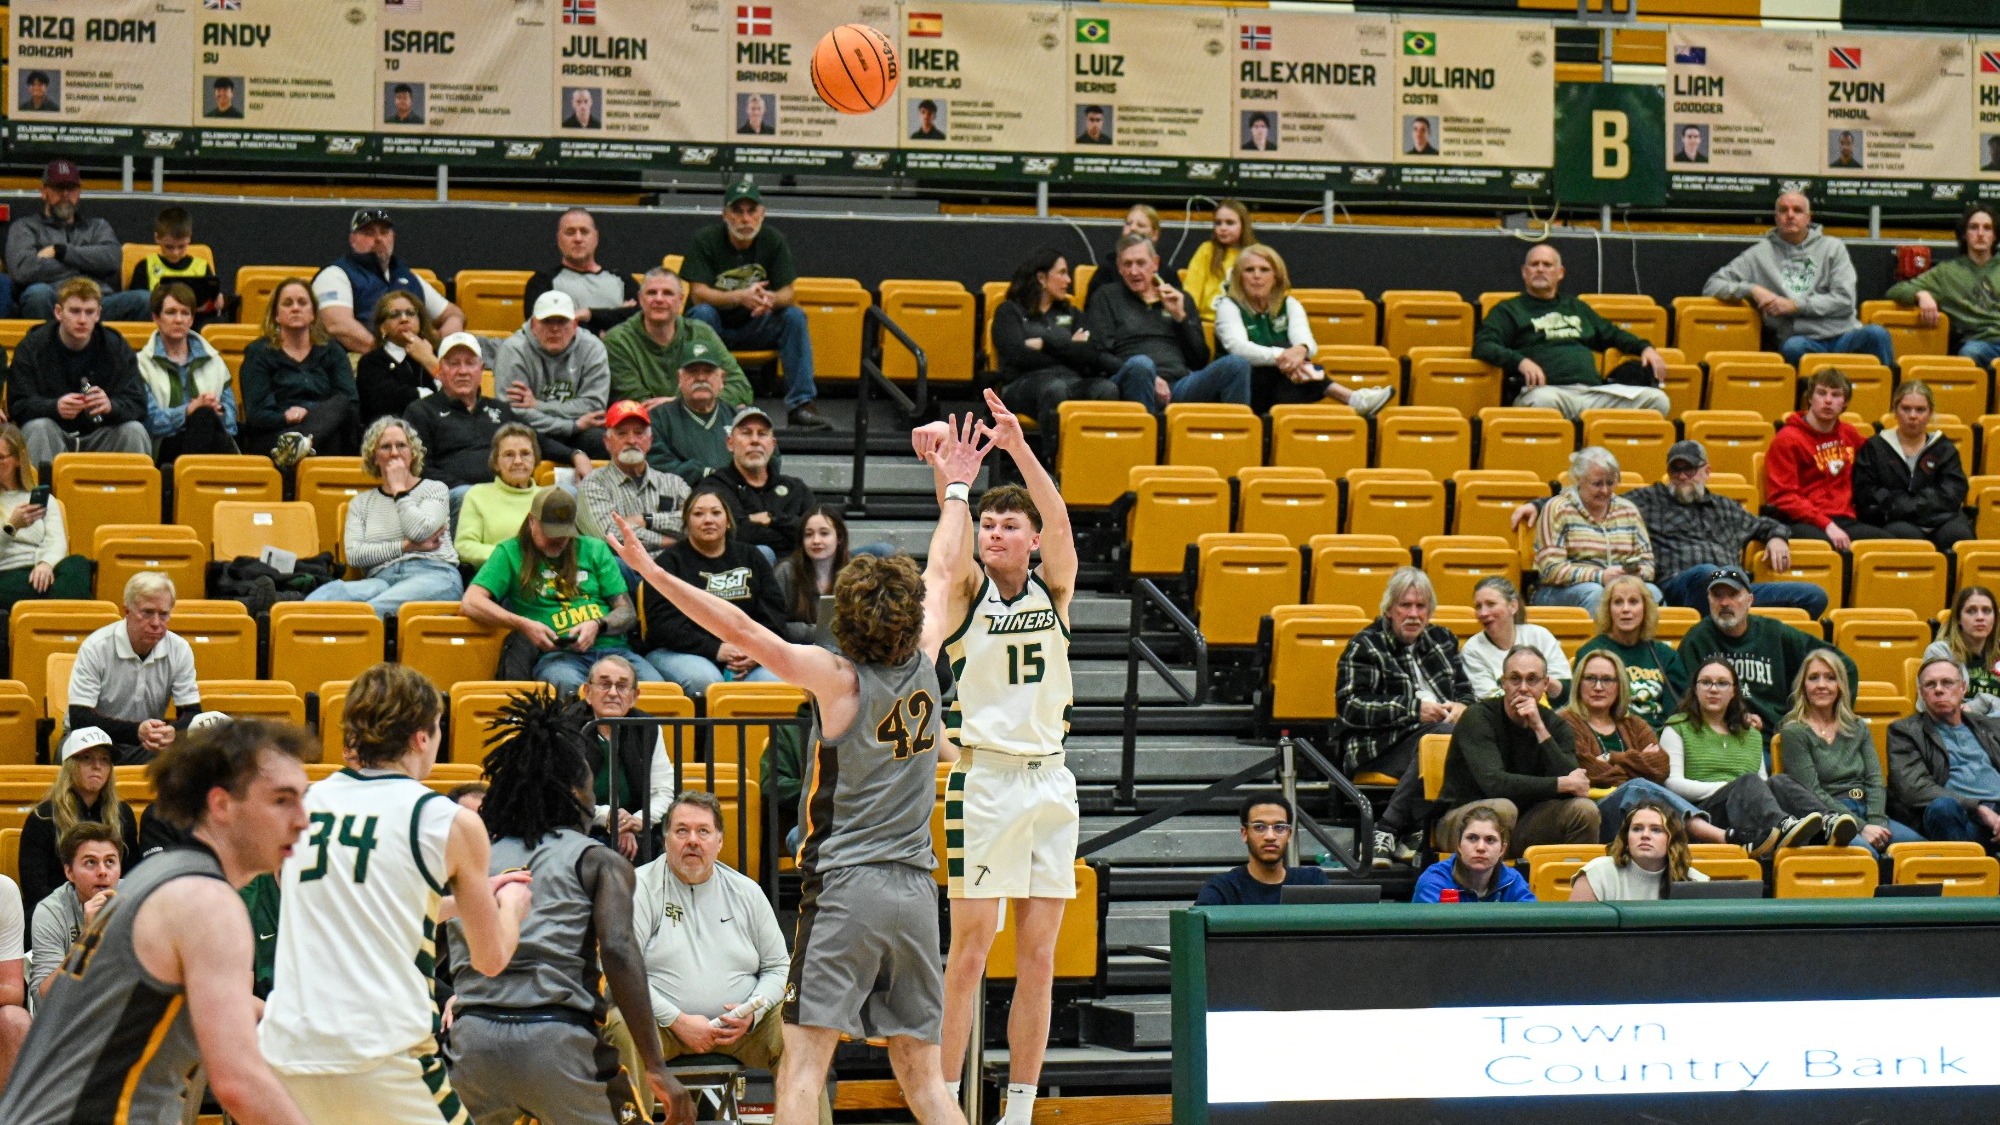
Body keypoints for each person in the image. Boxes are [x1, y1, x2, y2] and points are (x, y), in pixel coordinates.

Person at [603, 420, 977, 1125]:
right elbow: (943, 565)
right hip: (919, 892)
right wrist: (957, 484)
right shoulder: (928, 660)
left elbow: (744, 631)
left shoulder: (837, 680)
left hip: (849, 888)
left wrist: (655, 573)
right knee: (926, 1082)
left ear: (848, 621)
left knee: (803, 1067)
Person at [0, 719, 317, 1125]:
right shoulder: (206, 901)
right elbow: (238, 1080)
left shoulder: (162, 878)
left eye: (303, 799)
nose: (303, 820)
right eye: (282, 800)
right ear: (221, 805)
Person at [258, 663, 531, 1124]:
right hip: (379, 1054)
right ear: (422, 737)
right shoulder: (447, 820)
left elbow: (355, 904)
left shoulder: (300, 804)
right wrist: (509, 908)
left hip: (288, 1054)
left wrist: (463, 900)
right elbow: (489, 959)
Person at [928, 394, 1079, 1125]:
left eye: (1007, 524)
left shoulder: (1055, 587)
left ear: (1030, 539)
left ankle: (1018, 1108)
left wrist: (1019, 447)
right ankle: (947, 1105)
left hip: (1051, 779)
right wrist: (952, 481)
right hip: (984, 780)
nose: (994, 531)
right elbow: (947, 548)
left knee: (1040, 955)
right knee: (969, 953)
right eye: (987, 522)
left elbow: (1062, 522)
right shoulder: (967, 593)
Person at [441, 686, 689, 1125]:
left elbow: (428, 940)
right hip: (556, 1039)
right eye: (591, 786)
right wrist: (655, 1065)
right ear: (575, 790)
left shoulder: (473, 858)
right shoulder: (597, 860)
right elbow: (617, 948)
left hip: (471, 1041)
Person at [606, 791, 804, 1123]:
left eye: (703, 831)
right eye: (682, 831)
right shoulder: (638, 888)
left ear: (720, 841)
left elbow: (778, 965)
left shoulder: (747, 892)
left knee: (800, 1029)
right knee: (620, 1023)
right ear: (666, 838)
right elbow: (621, 972)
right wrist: (676, 1019)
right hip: (661, 1029)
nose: (693, 841)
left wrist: (752, 1013)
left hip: (741, 1030)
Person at [462, 487, 662, 699]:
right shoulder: (510, 552)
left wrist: (598, 624)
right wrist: (523, 624)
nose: (558, 540)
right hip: (558, 655)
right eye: (550, 532)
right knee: (568, 688)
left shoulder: (595, 549)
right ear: (532, 521)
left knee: (656, 691)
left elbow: (627, 612)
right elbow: (471, 602)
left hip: (613, 651)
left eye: (564, 534)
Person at [1335, 567, 1475, 866]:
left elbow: (1466, 693)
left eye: (1421, 606)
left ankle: (1404, 829)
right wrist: (1413, 709)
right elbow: (1350, 707)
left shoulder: (1443, 639)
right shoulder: (1365, 644)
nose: (1413, 614)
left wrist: (1463, 707)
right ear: (1389, 609)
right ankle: (1391, 829)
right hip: (1378, 745)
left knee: (1461, 736)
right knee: (1443, 738)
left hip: (1437, 737)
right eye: (1405, 605)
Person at [1607, 440, 1825, 616]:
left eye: (1690, 469)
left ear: (1706, 471)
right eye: (1676, 469)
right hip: (1681, 587)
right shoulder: (1650, 499)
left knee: (1813, 595)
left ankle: (1737, 618)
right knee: (1707, 572)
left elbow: (1765, 524)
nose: (1682, 476)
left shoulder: (1725, 507)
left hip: (1734, 588)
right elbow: (1606, 503)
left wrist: (1776, 537)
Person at [681, 180, 832, 431]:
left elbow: (788, 293)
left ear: (762, 214)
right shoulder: (706, 240)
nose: (745, 218)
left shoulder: (773, 240)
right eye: (737, 211)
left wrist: (769, 300)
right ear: (725, 215)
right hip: (715, 327)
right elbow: (698, 294)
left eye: (751, 211)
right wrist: (740, 296)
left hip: (756, 324)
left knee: (793, 317)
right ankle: (704, 400)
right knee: (701, 314)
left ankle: (801, 405)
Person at [1432, 646, 1600, 857]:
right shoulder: (1478, 718)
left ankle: (1572, 886)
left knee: (1585, 810)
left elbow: (1574, 785)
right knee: (1503, 809)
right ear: (1503, 682)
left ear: (1545, 684)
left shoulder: (1555, 725)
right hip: (1461, 820)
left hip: (1524, 822)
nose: (1522, 688)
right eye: (1515, 679)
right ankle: (1492, 889)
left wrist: (1539, 729)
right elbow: (1494, 784)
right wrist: (1559, 784)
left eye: (1532, 680)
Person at [1662, 660, 1841, 856]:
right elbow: (1672, 784)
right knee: (1748, 782)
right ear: (1695, 689)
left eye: (1722, 683)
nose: (1713, 689)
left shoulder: (1751, 734)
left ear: (1734, 692)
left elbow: (1762, 785)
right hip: (1705, 816)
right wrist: (1733, 788)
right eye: (1706, 682)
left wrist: (1741, 789)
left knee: (1779, 781)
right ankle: (1782, 825)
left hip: (1747, 814)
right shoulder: (1677, 727)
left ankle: (1826, 823)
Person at [1702, 191, 1894, 367]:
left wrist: (1795, 306)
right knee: (1792, 348)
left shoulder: (1833, 248)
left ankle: (1892, 399)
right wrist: (1752, 289)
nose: (1790, 215)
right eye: (1784, 210)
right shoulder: (1758, 255)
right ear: (1777, 218)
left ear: (1808, 218)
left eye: (1798, 210)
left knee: (1877, 334)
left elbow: (1844, 300)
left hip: (1844, 334)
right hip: (1802, 340)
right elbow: (1712, 286)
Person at [1473, 245, 1669, 417]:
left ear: (1560, 273)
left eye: (1547, 265)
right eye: (1534, 264)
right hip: (1550, 393)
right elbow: (1483, 345)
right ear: (1524, 272)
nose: (1540, 269)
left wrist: (1645, 348)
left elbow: (1613, 334)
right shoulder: (1508, 310)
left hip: (1593, 394)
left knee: (1658, 400)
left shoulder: (1577, 307)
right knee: (1541, 402)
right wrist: (1520, 361)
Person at [404, 332, 588, 508]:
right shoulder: (421, 411)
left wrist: (575, 455)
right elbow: (421, 467)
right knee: (463, 495)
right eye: (454, 364)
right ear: (440, 370)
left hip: (509, 492)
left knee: (569, 493)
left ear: (481, 370)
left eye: (470, 363)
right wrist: (477, 492)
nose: (463, 371)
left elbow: (536, 441)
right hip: (454, 497)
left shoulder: (500, 409)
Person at [303, 416, 463, 618]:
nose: (394, 453)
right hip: (380, 578)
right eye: (386, 447)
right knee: (329, 595)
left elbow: (421, 531)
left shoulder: (435, 489)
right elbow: (355, 554)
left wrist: (398, 489)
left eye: (401, 446)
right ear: (374, 457)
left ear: (412, 453)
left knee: (373, 610)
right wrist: (405, 547)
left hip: (433, 574)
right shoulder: (361, 504)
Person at [1563, 649, 1726, 844]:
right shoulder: (1566, 722)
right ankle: (1714, 835)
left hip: (1643, 817)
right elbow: (1586, 770)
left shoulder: (1634, 724)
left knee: (1638, 787)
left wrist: (1611, 758)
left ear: (1620, 685)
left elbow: (1660, 767)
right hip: (1595, 814)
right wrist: (1636, 767)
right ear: (1578, 684)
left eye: (1607, 680)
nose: (1598, 687)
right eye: (1590, 678)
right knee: (1637, 787)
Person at [1214, 243, 1392, 417]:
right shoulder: (1228, 306)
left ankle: (1284, 426)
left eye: (1264, 270)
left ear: (1276, 276)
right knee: (1286, 352)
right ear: (1239, 277)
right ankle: (1351, 398)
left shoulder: (1289, 304)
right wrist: (1285, 354)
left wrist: (1300, 350)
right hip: (1241, 389)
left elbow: (1308, 344)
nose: (1257, 276)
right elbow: (1238, 349)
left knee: (1298, 359)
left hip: (1282, 385)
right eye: (1249, 270)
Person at [1677, 566, 1855, 736]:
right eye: (1717, 596)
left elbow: (1845, 666)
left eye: (1733, 595)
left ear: (1750, 601)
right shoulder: (1697, 639)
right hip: (1718, 741)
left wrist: (1825, 720)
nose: (1724, 603)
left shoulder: (1774, 633)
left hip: (1773, 740)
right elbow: (1685, 701)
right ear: (1708, 599)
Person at [990, 248, 1141, 447]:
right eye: (1062, 273)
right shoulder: (1010, 311)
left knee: (1107, 389)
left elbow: (1089, 354)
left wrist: (1045, 344)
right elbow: (1018, 356)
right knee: (1055, 390)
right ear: (1042, 278)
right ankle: (1050, 464)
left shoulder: (1072, 313)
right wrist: (1070, 348)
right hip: (1023, 383)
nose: (1068, 280)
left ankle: (1091, 457)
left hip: (1071, 380)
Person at [640, 490, 786, 696]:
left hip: (749, 652)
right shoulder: (668, 563)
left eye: (716, 513)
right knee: (707, 682)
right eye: (698, 514)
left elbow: (774, 613)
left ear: (727, 520)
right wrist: (716, 649)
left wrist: (757, 650)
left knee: (774, 681)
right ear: (686, 522)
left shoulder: (752, 556)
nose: (708, 520)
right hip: (681, 651)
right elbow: (663, 625)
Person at [1088, 233, 1251, 416]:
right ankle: (1146, 439)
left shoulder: (1179, 299)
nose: (1134, 271)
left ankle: (1234, 441)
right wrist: (1152, 378)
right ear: (1119, 267)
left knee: (1236, 365)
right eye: (1127, 264)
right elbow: (1098, 355)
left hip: (1179, 384)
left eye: (1141, 263)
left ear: (1155, 263)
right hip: (1133, 378)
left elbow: (1200, 360)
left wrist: (1180, 318)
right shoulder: (1106, 296)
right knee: (1142, 365)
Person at [1778, 648, 1920, 854]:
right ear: (1803, 686)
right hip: (1831, 818)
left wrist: (1876, 822)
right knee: (1866, 856)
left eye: (1830, 678)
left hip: (1868, 810)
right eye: (1813, 678)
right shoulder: (1795, 732)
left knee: (1921, 851)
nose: (1821, 685)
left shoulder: (1857, 726)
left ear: (1841, 685)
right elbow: (1812, 792)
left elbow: (1875, 780)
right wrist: (1861, 827)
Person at [7, 277, 151, 476]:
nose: (82, 319)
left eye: (89, 312)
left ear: (98, 314)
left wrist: (112, 406)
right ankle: (37, 503)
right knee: (38, 427)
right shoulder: (32, 347)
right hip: (53, 434)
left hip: (101, 435)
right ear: (58, 312)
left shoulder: (116, 346)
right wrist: (54, 407)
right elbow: (18, 406)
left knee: (134, 431)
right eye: (75, 311)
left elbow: (139, 403)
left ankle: (131, 502)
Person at [68, 572, 203, 765]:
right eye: (147, 613)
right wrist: (137, 732)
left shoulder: (179, 649)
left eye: (163, 614)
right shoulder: (96, 646)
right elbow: (80, 719)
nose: (156, 623)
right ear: (127, 612)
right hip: (93, 742)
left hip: (147, 745)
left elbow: (192, 714)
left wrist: (173, 732)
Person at [4, 159, 152, 322]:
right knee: (37, 294)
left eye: (72, 188)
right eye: (59, 188)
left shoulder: (98, 226)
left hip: (98, 301)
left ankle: (112, 346)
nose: (66, 194)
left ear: (79, 191)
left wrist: (61, 252)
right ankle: (46, 346)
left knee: (145, 300)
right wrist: (85, 266)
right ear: (43, 191)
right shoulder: (25, 227)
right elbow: (23, 270)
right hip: (53, 300)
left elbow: (112, 259)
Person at [1763, 368, 1891, 550]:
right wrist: (1825, 524)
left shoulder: (1849, 433)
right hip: (1802, 520)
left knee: (1890, 546)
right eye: (1821, 393)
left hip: (1845, 519)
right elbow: (1783, 497)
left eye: (1836, 395)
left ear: (1845, 403)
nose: (1828, 400)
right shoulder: (1787, 439)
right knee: (1825, 547)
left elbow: (1877, 458)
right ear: (1810, 398)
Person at [239, 276, 359, 466]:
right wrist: (286, 417)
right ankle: (298, 445)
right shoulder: (259, 353)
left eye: (302, 303)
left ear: (313, 313)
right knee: (324, 444)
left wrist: (309, 414)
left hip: (326, 430)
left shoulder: (332, 351)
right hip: (277, 435)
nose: (295, 308)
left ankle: (302, 444)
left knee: (341, 405)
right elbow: (257, 414)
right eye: (288, 303)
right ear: (276, 314)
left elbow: (349, 403)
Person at [311, 208, 465, 354]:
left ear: (393, 237)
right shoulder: (335, 274)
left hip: (415, 363)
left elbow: (454, 315)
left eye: (384, 232)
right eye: (369, 233)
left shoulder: (408, 277)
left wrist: (440, 344)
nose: (378, 239)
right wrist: (387, 357)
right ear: (353, 239)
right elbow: (338, 326)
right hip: (361, 362)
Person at [18, 726, 138, 912]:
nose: (97, 766)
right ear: (70, 765)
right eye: (87, 758)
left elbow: (133, 876)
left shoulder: (122, 814)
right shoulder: (43, 817)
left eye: (105, 760)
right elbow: (35, 888)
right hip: (57, 916)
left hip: (112, 912)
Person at [570, 655, 678, 858]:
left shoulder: (648, 728)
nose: (612, 693)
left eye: (621, 686)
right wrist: (608, 817)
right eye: (604, 684)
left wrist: (637, 821)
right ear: (587, 692)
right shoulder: (566, 729)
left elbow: (663, 791)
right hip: (579, 829)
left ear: (634, 696)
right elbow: (565, 796)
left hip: (638, 832)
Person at [1531, 447, 1660, 613]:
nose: (1605, 490)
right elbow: (1550, 570)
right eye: (1597, 484)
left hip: (1619, 586)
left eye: (1610, 483)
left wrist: (1631, 575)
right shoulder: (1558, 508)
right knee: (1595, 593)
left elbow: (1647, 563)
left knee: (1653, 593)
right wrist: (1600, 576)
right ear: (1578, 480)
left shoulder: (1628, 510)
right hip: (1560, 590)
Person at [606, 267, 754, 408]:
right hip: (647, 428)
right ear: (640, 299)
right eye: (651, 293)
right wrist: (700, 401)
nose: (659, 299)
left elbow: (741, 387)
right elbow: (638, 403)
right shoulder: (618, 340)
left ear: (681, 299)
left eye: (668, 293)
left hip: (701, 421)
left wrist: (682, 403)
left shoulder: (701, 332)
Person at [1888, 658, 2000, 843]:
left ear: (1963, 688)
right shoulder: (1905, 731)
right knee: (1943, 808)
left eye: (1947, 682)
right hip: (1963, 817)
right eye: (1930, 684)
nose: (1939, 689)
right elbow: (1913, 788)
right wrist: (1978, 808)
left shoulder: (1989, 726)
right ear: (1921, 693)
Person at [495, 290, 612, 463]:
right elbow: (515, 413)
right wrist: (572, 426)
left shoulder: (592, 348)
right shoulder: (513, 350)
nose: (555, 329)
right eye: (547, 321)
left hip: (579, 432)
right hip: (532, 431)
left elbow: (593, 407)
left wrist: (537, 405)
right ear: (533, 324)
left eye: (562, 321)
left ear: (574, 325)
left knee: (606, 442)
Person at [1853, 380, 1973, 550]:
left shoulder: (1944, 448)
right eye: (1906, 408)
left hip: (1940, 518)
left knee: (1958, 537)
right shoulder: (1876, 447)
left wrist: (1915, 505)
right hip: (1895, 518)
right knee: (1905, 537)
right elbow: (1867, 489)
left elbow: (1953, 490)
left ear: (1930, 412)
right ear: (1895, 411)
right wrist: (1894, 505)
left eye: (1920, 410)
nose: (1913, 416)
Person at [1889, 204, 2000, 368]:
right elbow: (1896, 291)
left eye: (1987, 228)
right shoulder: (1946, 273)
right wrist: (1922, 295)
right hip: (1979, 344)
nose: (1981, 234)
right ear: (1964, 234)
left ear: (1995, 235)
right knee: (1969, 355)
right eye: (1974, 228)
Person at [137, 282, 238, 460]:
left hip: (213, 438)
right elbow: (149, 422)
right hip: (165, 446)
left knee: (206, 417)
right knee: (203, 416)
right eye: (171, 312)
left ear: (192, 319)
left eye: (185, 313)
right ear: (156, 318)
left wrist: (219, 410)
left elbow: (231, 422)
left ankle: (186, 478)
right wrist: (188, 411)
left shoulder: (214, 360)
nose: (179, 319)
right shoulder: (141, 364)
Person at [578, 399, 691, 553]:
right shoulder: (593, 484)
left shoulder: (674, 483)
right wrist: (666, 541)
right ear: (607, 442)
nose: (631, 440)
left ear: (650, 441)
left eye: (639, 433)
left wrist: (647, 520)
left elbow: (695, 523)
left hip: (675, 569)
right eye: (622, 433)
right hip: (624, 572)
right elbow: (608, 535)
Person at [701, 406, 815, 560]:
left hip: (796, 571)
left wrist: (772, 518)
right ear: (730, 443)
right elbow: (737, 534)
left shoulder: (796, 488)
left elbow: (816, 530)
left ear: (773, 445)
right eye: (746, 433)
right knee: (763, 552)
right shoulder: (716, 486)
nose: (755, 440)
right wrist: (791, 532)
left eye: (762, 434)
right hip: (740, 572)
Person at [1574, 576, 1687, 731]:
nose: (1625, 609)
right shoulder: (1591, 653)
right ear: (1608, 609)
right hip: (1613, 734)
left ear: (1645, 608)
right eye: (1618, 602)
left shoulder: (1665, 655)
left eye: (1633, 602)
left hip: (1660, 737)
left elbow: (1676, 712)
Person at [0, 424, 87, 614]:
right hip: (6, 575)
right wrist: (11, 526)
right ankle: (60, 617)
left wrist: (46, 563)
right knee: (71, 591)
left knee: (78, 563)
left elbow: (56, 540)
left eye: (1, 457)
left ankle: (52, 617)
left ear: (17, 459)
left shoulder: (44, 499)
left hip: (44, 574)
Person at [27, 822, 120, 997]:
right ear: (69, 872)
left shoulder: (138, 899)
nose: (102, 871)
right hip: (72, 1015)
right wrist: (88, 936)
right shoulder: (51, 911)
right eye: (91, 863)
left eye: (110, 862)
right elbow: (43, 998)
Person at [1192, 794, 1329, 905]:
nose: (1270, 836)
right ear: (1244, 833)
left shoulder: (1312, 882)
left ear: (1289, 834)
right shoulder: (1223, 889)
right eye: (1259, 827)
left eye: (1279, 827)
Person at [526, 207, 641, 336]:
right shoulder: (542, 282)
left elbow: (640, 320)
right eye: (570, 233)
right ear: (559, 239)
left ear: (596, 238)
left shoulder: (622, 280)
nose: (578, 238)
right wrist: (613, 319)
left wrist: (587, 314)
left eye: (584, 232)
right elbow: (541, 328)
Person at [1461, 575, 1570, 703]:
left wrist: (1535, 679)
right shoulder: (1473, 649)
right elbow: (1490, 700)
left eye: (1491, 604)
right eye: (1478, 606)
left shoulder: (1540, 635)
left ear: (1513, 606)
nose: (1483, 613)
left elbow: (1566, 690)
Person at [1569, 802, 1706, 901]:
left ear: (1673, 840)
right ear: (1626, 837)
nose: (1645, 835)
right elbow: (1574, 937)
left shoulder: (1695, 881)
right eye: (1637, 829)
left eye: (1656, 829)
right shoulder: (1597, 873)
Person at [645, 351, 746, 485]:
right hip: (680, 499)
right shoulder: (659, 417)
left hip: (737, 497)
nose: (700, 378)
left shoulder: (739, 419)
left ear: (722, 379)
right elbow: (657, 462)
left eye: (708, 372)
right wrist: (703, 473)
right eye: (692, 371)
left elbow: (768, 458)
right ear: (679, 379)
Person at [453, 424, 542, 568]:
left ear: (535, 459)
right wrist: (511, 556)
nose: (518, 461)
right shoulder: (477, 495)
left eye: (525, 453)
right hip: (495, 575)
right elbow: (464, 547)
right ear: (495, 462)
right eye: (509, 455)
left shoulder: (548, 497)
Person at [1410, 807, 1533, 903]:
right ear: (1459, 845)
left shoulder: (1512, 881)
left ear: (1502, 849)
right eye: (1472, 838)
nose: (1480, 847)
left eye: (1490, 840)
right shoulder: (1434, 882)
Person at [354, 288, 440, 421]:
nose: (404, 319)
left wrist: (429, 360)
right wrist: (428, 395)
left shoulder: (437, 355)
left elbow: (460, 394)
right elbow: (382, 400)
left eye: (410, 313)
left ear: (420, 321)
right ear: (383, 327)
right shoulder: (371, 362)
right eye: (394, 315)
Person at [126, 206, 223, 321]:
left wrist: (218, 303)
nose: (175, 253)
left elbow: (211, 302)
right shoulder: (145, 266)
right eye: (169, 247)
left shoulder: (202, 267)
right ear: (157, 238)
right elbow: (138, 307)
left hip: (196, 321)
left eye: (181, 246)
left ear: (189, 238)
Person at [774, 506, 847, 643]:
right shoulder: (785, 571)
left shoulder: (855, 574)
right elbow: (774, 625)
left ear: (839, 538)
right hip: (797, 653)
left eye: (824, 533)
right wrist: (826, 632)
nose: (816, 541)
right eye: (808, 534)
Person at [1927, 586, 2000, 717]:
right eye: (1971, 611)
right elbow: (1943, 708)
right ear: (1958, 619)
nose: (1980, 617)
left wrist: (1983, 702)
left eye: (1987, 611)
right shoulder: (1939, 653)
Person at [1184, 199, 1253, 331]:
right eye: (1218, 223)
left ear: (1244, 225)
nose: (1223, 228)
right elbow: (1191, 292)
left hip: (1245, 324)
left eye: (1230, 223)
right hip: (1208, 321)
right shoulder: (1207, 250)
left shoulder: (1256, 253)